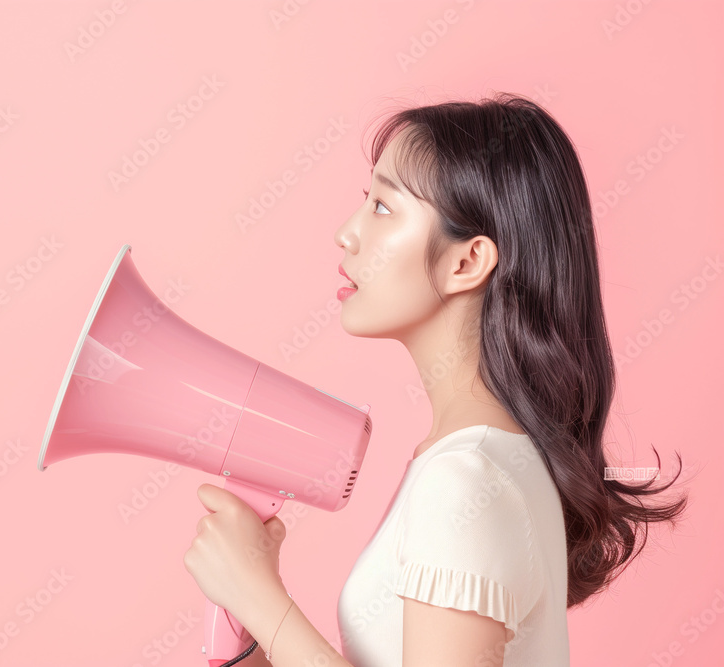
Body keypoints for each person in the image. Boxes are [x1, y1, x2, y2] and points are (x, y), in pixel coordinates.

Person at [183, 92, 688, 667]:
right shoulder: (477, 462)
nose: (346, 234)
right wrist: (247, 633)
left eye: (382, 207)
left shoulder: (466, 480)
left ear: (467, 262)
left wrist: (259, 596)